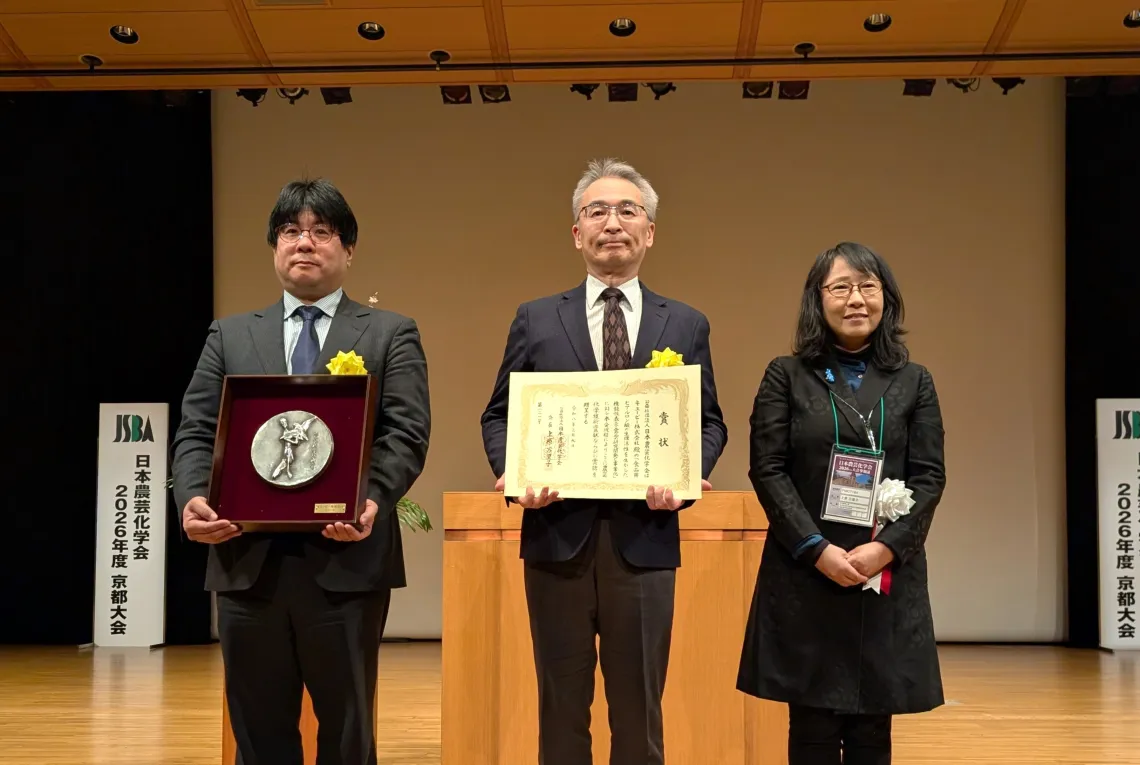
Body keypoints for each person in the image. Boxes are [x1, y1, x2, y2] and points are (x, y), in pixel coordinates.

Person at [170, 178, 431, 765]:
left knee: (347, 733)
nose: (304, 243)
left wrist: (369, 499)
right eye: (290, 231)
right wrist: (191, 498)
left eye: (322, 232)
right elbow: (196, 431)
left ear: (348, 249)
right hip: (246, 562)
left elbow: (405, 432)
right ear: (274, 247)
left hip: (345, 562)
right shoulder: (230, 334)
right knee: (257, 733)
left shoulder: (389, 333)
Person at [480, 158, 728, 765]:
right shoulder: (536, 317)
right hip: (555, 537)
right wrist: (514, 475)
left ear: (650, 231)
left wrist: (687, 477)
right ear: (576, 233)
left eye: (627, 210)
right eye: (596, 211)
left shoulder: (686, 323)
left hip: (645, 540)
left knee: (640, 709)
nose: (612, 223)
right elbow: (499, 415)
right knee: (560, 707)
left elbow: (708, 421)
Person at [736, 242, 946, 765]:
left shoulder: (914, 381)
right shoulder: (786, 375)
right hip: (808, 570)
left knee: (874, 725)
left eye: (868, 287)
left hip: (882, 573)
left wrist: (886, 549)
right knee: (812, 725)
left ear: (886, 298)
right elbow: (768, 468)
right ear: (818, 299)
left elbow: (929, 476)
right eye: (841, 287)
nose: (856, 299)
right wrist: (815, 548)